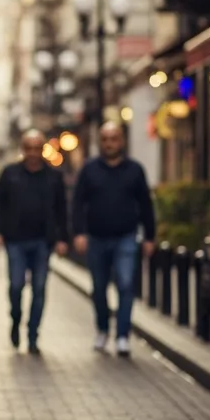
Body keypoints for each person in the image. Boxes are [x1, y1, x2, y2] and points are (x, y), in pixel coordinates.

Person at [72, 122, 155, 357]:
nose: (110, 143)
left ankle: (122, 335)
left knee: (126, 284)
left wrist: (150, 236)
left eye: (114, 138)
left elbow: (146, 204)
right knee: (99, 288)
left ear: (122, 141)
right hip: (96, 238)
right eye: (106, 139)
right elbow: (78, 203)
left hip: (126, 238)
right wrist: (79, 233)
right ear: (101, 142)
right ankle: (102, 328)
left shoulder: (135, 170)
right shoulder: (89, 170)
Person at [0, 129, 69, 354]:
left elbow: (62, 209)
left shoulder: (54, 177)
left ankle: (33, 335)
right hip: (15, 240)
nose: (33, 153)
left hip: (43, 241)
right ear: (23, 149)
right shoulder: (10, 174)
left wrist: (63, 238)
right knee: (16, 286)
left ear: (42, 149)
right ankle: (16, 319)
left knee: (40, 289)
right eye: (29, 148)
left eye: (37, 148)